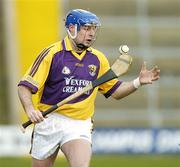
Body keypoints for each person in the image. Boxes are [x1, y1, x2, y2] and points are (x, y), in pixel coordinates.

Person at [18, 9, 160, 167]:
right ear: (72, 28)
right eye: (86, 28)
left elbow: (116, 92)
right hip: (49, 120)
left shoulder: (98, 59)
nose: (91, 33)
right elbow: (24, 86)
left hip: (79, 123)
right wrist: (30, 109)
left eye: (93, 29)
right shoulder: (52, 54)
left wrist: (138, 82)